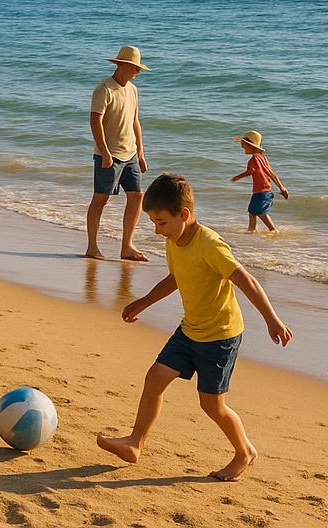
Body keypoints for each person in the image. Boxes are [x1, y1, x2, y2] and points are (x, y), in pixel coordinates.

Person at [96, 173, 293, 482]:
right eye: (153, 223)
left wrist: (272, 319)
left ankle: (244, 452)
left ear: (183, 215)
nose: (157, 230)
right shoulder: (175, 240)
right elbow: (175, 279)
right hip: (190, 330)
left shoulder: (210, 245)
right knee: (154, 378)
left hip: (220, 337)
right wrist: (142, 302)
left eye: (161, 222)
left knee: (211, 405)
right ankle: (135, 443)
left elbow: (247, 281)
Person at [86, 45, 150, 261]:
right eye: (134, 68)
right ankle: (92, 246)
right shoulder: (104, 89)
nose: (137, 72)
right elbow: (95, 122)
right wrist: (104, 152)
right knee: (100, 200)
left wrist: (140, 152)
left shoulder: (132, 90)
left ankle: (127, 246)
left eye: (138, 68)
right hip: (109, 155)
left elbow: (135, 122)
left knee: (137, 196)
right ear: (121, 65)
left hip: (130, 154)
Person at [230, 131, 289, 234]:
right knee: (252, 211)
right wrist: (282, 187)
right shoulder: (263, 158)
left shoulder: (253, 160)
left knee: (261, 213)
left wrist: (237, 177)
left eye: (243, 145)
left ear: (250, 146)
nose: (242, 147)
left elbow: (250, 171)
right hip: (264, 191)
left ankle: (273, 229)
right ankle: (251, 230)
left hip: (261, 191)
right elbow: (272, 174)